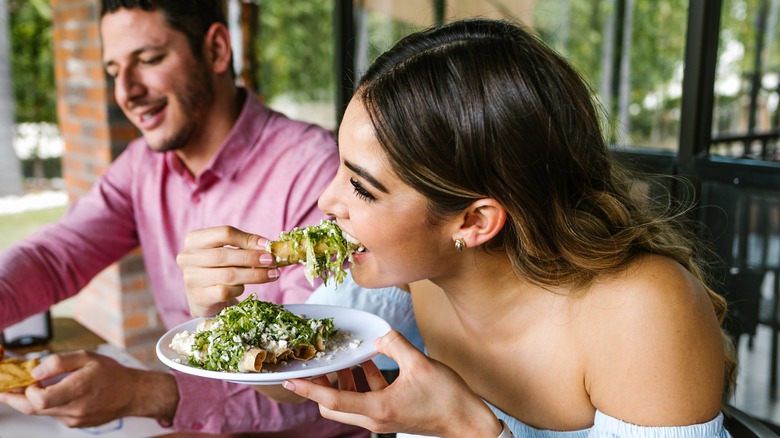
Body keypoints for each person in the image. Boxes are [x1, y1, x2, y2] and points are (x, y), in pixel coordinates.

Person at [182, 18, 738, 437]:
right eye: (340, 168)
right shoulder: (406, 274)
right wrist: (225, 324)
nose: (327, 202)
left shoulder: (643, 312)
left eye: (362, 187)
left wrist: (471, 430)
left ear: (474, 221)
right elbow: (294, 389)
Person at [0, 1, 368, 436]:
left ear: (215, 50)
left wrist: (145, 394)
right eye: (115, 71)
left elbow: (329, 376)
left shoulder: (311, 170)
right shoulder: (140, 167)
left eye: (150, 60)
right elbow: (53, 257)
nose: (126, 92)